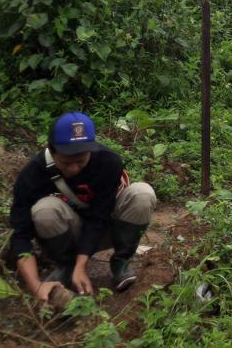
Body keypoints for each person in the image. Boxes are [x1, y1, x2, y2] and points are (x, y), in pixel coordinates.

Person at [9, 112, 158, 305]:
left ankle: (121, 261)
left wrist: (83, 265)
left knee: (142, 193)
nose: (73, 169)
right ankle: (66, 265)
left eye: (81, 161)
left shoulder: (107, 162)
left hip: (108, 227)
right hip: (72, 232)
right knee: (44, 210)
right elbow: (20, 235)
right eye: (66, 162)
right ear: (51, 150)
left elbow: (99, 216)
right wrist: (36, 286)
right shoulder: (32, 174)